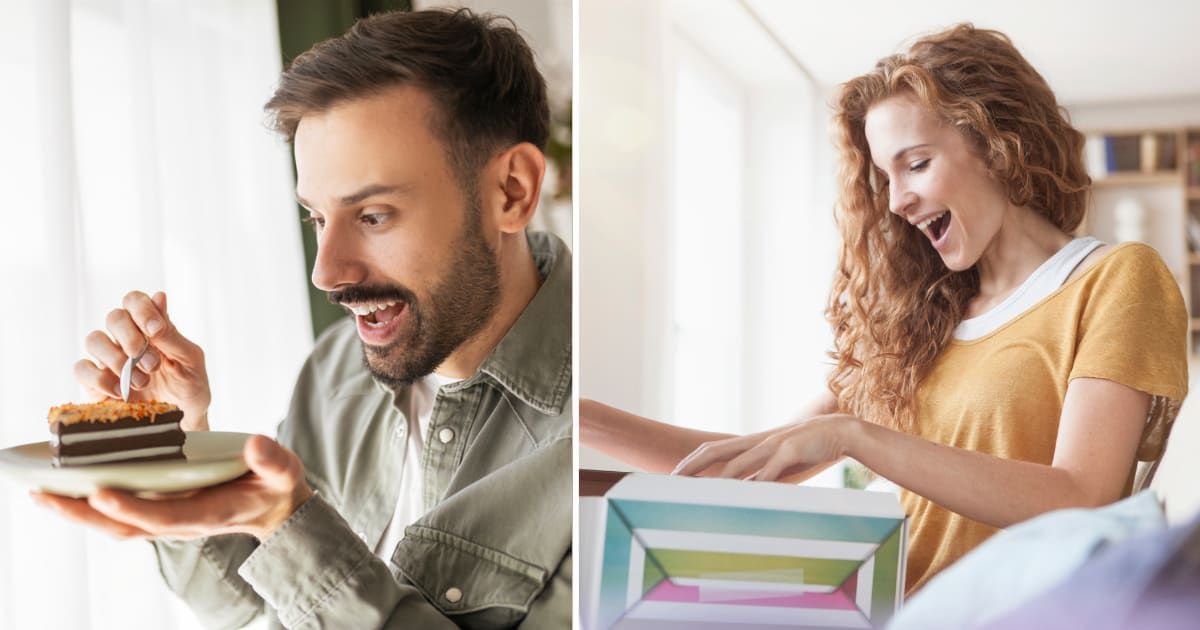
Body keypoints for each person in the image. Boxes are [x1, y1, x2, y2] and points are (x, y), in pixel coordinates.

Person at [581, 23, 1187, 595]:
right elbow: (747, 468)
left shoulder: (1111, 280)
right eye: (885, 177)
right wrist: (579, 420)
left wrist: (854, 437)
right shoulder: (922, 321)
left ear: (999, 145)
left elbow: (1081, 497)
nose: (897, 201)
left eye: (917, 163)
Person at [33, 9, 571, 628]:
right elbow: (247, 610)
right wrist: (179, 447)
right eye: (317, 218)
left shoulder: (593, 445)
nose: (326, 272)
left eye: (372, 216)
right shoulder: (336, 368)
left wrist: (286, 522)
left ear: (512, 191)